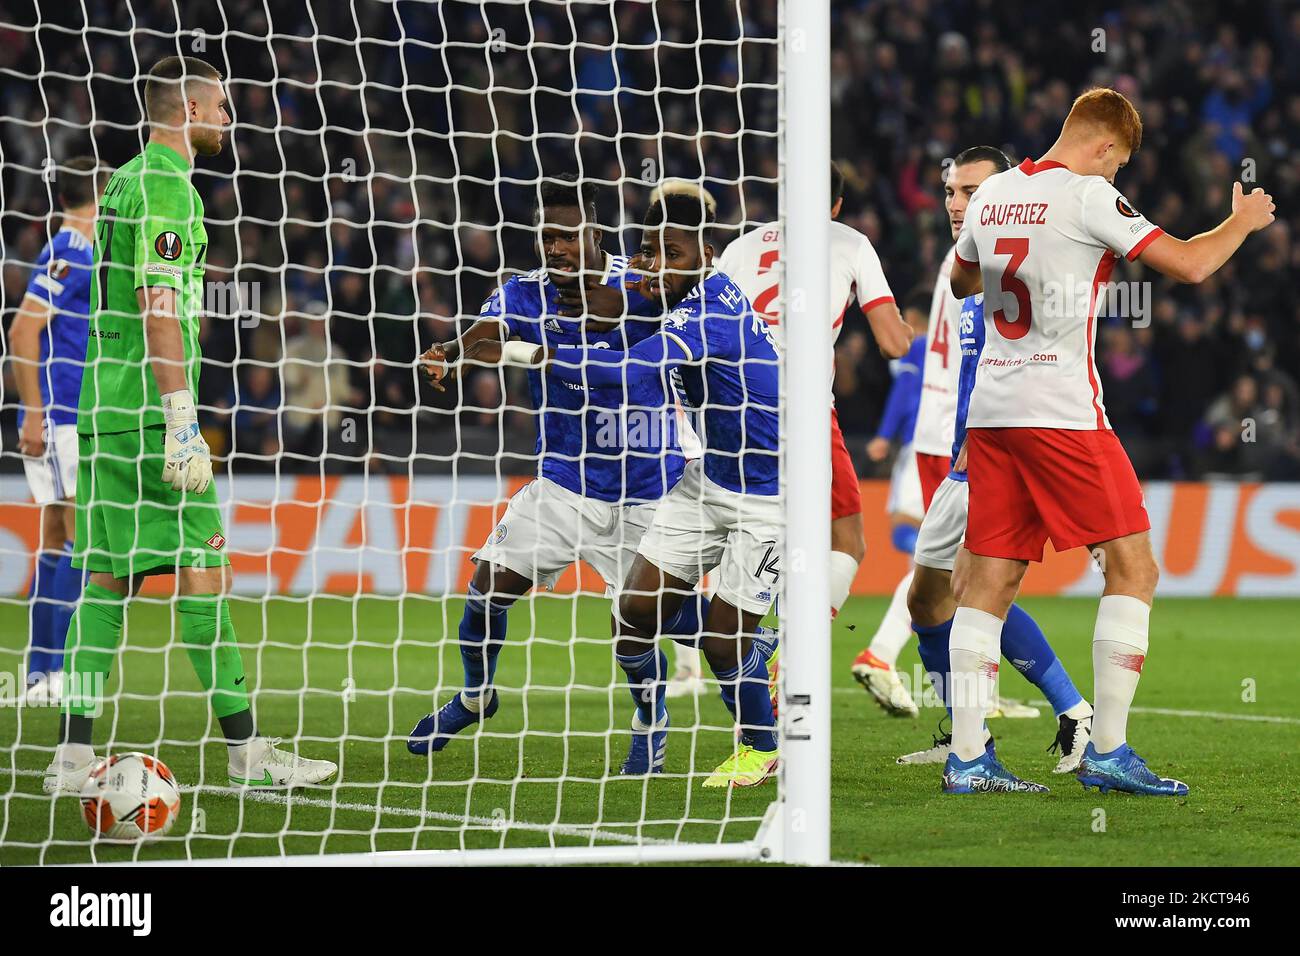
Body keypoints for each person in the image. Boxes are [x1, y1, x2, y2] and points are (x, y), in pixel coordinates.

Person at [946, 88, 1275, 795]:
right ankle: (1108, 750)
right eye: (1119, 163)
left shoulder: (994, 191)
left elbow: (960, 276)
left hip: (992, 411)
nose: (1117, 177)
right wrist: (1242, 222)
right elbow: (1188, 264)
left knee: (990, 581)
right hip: (1061, 411)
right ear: (1102, 146)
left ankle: (968, 760)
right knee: (1134, 567)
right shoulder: (1088, 196)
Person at [44, 56, 337, 795]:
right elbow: (158, 303)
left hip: (102, 409)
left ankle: (72, 760)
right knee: (205, 575)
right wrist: (181, 419)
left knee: (106, 583)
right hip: (149, 412)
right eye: (225, 109)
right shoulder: (169, 187)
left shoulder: (119, 182)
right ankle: (247, 756)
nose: (230, 123)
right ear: (196, 110)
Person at [463, 190, 784, 788]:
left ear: (706, 255)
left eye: (672, 252)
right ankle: (741, 660)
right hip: (706, 478)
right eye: (646, 252)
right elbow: (614, 301)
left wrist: (528, 350)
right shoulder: (667, 294)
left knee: (718, 642)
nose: (654, 263)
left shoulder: (708, 307)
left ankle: (762, 747)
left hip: (769, 492)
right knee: (633, 613)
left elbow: (631, 368)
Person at [406, 175, 710, 776]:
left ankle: (654, 717)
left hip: (649, 490)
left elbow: (705, 296)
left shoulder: (647, 283)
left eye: (567, 236)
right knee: (487, 589)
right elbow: (489, 334)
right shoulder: (525, 292)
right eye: (546, 237)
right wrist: (454, 353)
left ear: (595, 233)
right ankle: (475, 696)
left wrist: (625, 306)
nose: (555, 248)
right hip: (564, 484)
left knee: (642, 626)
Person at [897, 146, 1093, 773]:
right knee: (926, 601)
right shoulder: (959, 272)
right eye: (952, 192)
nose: (958, 204)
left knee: (971, 591)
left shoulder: (1032, 264)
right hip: (965, 455)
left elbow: (1064, 363)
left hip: (1005, 455)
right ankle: (962, 730)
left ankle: (1069, 716)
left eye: (971, 192)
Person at [10, 156, 107, 705]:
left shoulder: (84, 251)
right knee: (78, 536)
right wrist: (32, 410)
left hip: (67, 414)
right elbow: (24, 332)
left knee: (56, 536)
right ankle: (55, 670)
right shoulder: (70, 249)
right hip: (62, 416)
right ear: (98, 195)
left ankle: (40, 673)